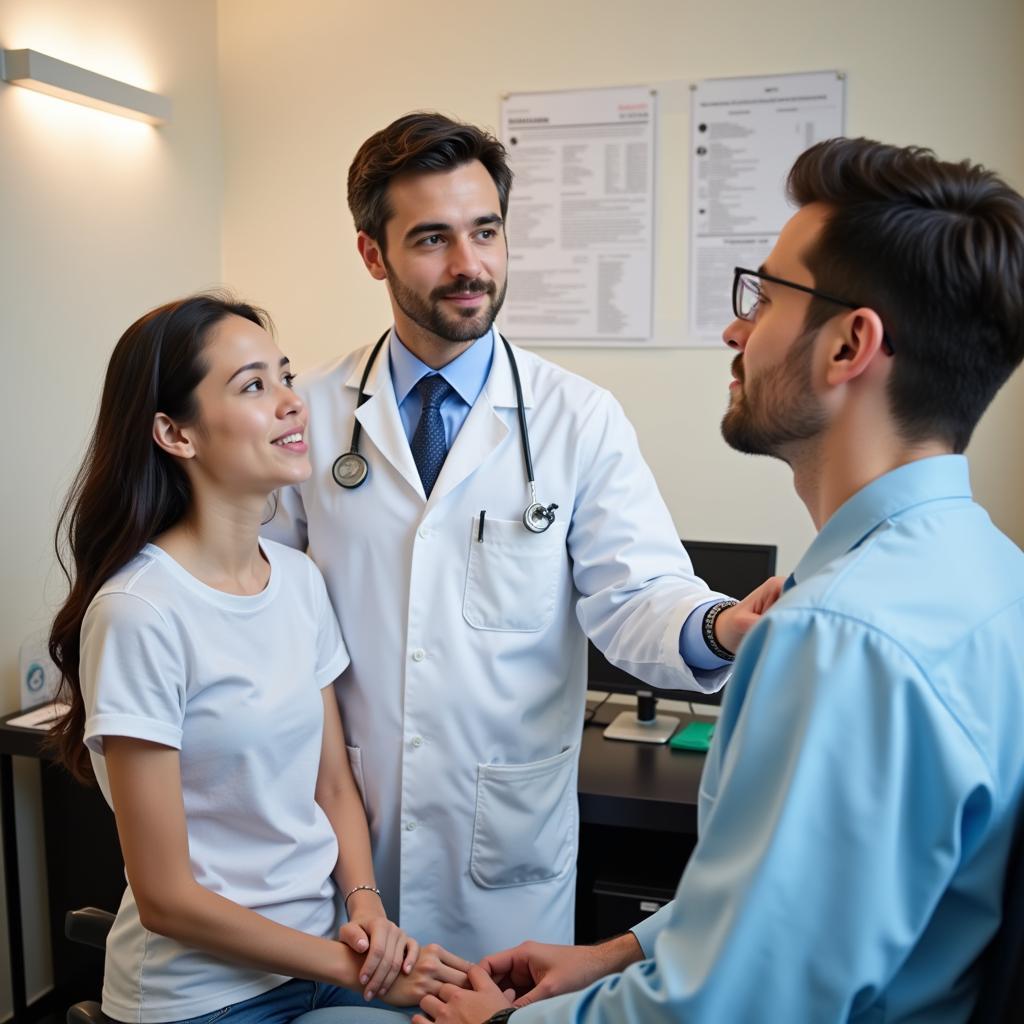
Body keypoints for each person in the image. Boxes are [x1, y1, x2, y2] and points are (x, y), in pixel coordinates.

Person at [417, 137, 1024, 1023]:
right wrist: (624, 951)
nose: (736, 328)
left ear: (850, 344)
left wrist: (503, 1023)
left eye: (765, 297)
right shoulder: (991, 573)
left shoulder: (836, 636)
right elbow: (815, 910)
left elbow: (728, 1008)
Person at [263, 112, 780, 962]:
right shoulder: (308, 414)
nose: (469, 265)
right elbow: (261, 606)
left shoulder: (577, 418)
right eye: (432, 239)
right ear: (372, 254)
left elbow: (637, 591)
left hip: (500, 853)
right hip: (334, 839)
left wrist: (718, 626)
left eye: (486, 232)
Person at [47, 295, 469, 1023]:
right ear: (174, 433)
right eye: (253, 386)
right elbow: (167, 898)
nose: (292, 404)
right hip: (201, 996)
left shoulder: (298, 580)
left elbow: (333, 785)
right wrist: (361, 972)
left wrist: (366, 911)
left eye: (284, 377)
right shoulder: (141, 612)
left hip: (320, 957)